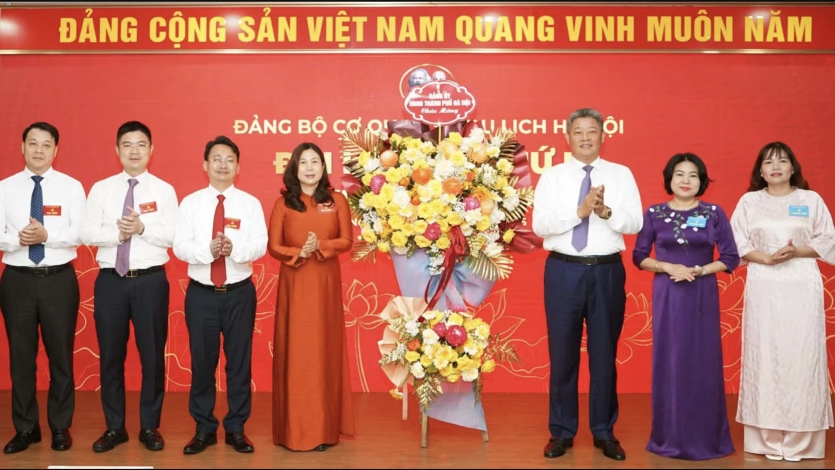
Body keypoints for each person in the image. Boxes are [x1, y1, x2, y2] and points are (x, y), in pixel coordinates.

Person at [532, 108, 643, 461]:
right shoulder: (552, 176)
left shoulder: (621, 174)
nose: (585, 137)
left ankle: (604, 432)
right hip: (563, 270)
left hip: (606, 271)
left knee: (604, 354)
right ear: (567, 137)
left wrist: (605, 212)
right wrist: (579, 213)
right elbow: (540, 226)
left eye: (591, 131)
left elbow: (635, 223)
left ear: (602, 136)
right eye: (578, 131)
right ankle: (561, 432)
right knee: (562, 354)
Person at [730, 141, 835, 462]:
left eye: (782, 160)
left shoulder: (810, 200)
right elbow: (736, 241)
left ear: (793, 168)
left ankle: (802, 441)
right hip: (764, 284)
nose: (775, 166)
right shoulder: (749, 202)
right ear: (760, 171)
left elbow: (828, 239)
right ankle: (767, 439)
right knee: (765, 354)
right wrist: (767, 258)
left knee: (802, 356)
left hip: (802, 285)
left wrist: (796, 251)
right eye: (768, 162)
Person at [632, 153, 739, 460]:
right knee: (671, 360)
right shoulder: (654, 213)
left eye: (693, 175)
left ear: (701, 181)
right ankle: (669, 436)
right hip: (668, 294)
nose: (686, 180)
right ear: (669, 179)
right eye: (680, 174)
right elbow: (639, 256)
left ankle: (708, 438)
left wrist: (699, 270)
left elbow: (730, 257)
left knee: (702, 361)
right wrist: (667, 266)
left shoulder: (714, 213)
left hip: (701, 292)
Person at [79, 121, 178, 452]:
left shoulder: (164, 190)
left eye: (141, 144)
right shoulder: (101, 189)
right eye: (127, 144)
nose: (134, 151)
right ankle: (114, 427)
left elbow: (173, 235)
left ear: (151, 150)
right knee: (110, 356)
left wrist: (142, 228)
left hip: (150, 281)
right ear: (117, 150)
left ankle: (149, 426)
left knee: (152, 356)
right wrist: (118, 234)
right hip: (111, 281)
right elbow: (87, 232)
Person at [173, 136, 267, 455]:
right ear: (205, 165)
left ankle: (236, 429)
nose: (223, 165)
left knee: (239, 363)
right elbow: (180, 247)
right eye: (216, 159)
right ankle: (204, 428)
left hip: (239, 293)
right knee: (203, 362)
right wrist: (208, 251)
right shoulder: (190, 203)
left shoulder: (250, 204)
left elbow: (260, 244)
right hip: (201, 295)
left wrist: (234, 249)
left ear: (238, 167)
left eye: (229, 160)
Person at [0, 122, 85, 453]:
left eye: (46, 144)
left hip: (58, 280)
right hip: (17, 279)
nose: (39, 150)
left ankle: (60, 426)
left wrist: (48, 236)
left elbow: (79, 232)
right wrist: (18, 239)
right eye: (32, 143)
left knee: (60, 356)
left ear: (55, 150)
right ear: (22, 147)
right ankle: (26, 428)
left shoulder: (71, 187)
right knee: (21, 358)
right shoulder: (5, 188)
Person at [268, 142, 355, 452]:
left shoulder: (337, 200)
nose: (309, 168)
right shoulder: (283, 204)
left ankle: (323, 430)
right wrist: (299, 252)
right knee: (297, 352)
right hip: (295, 282)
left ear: (323, 167)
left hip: (325, 283)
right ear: (294, 168)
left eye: (314, 162)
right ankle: (292, 430)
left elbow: (347, 240)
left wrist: (321, 246)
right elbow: (273, 246)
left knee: (323, 351)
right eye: (303, 162)